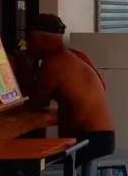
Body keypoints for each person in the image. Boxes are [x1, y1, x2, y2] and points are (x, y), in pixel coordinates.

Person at [27, 13, 115, 163]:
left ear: (41, 39)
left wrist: (23, 65)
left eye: (30, 40)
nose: (28, 45)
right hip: (103, 138)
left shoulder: (53, 64)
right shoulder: (75, 56)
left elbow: (35, 103)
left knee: (32, 164)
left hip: (88, 142)